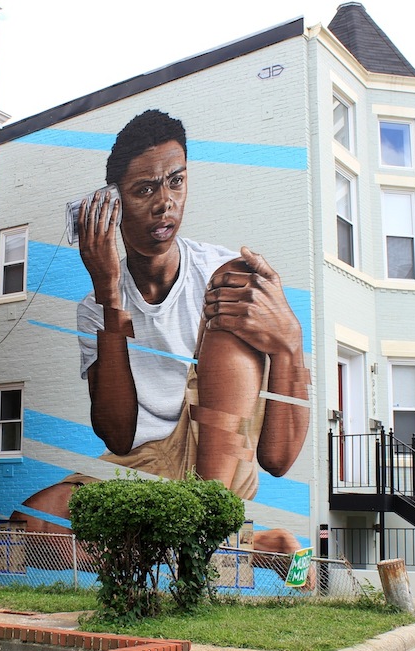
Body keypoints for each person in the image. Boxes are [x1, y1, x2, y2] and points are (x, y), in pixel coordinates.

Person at [18, 110, 309, 555]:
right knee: (28, 527)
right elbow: (118, 437)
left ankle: (206, 520)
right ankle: (246, 547)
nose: (165, 203)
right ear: (114, 203)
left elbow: (278, 460)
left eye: (176, 181)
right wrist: (108, 294)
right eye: (145, 189)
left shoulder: (220, 272)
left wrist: (289, 341)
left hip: (216, 449)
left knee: (230, 286)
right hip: (143, 464)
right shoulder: (95, 305)